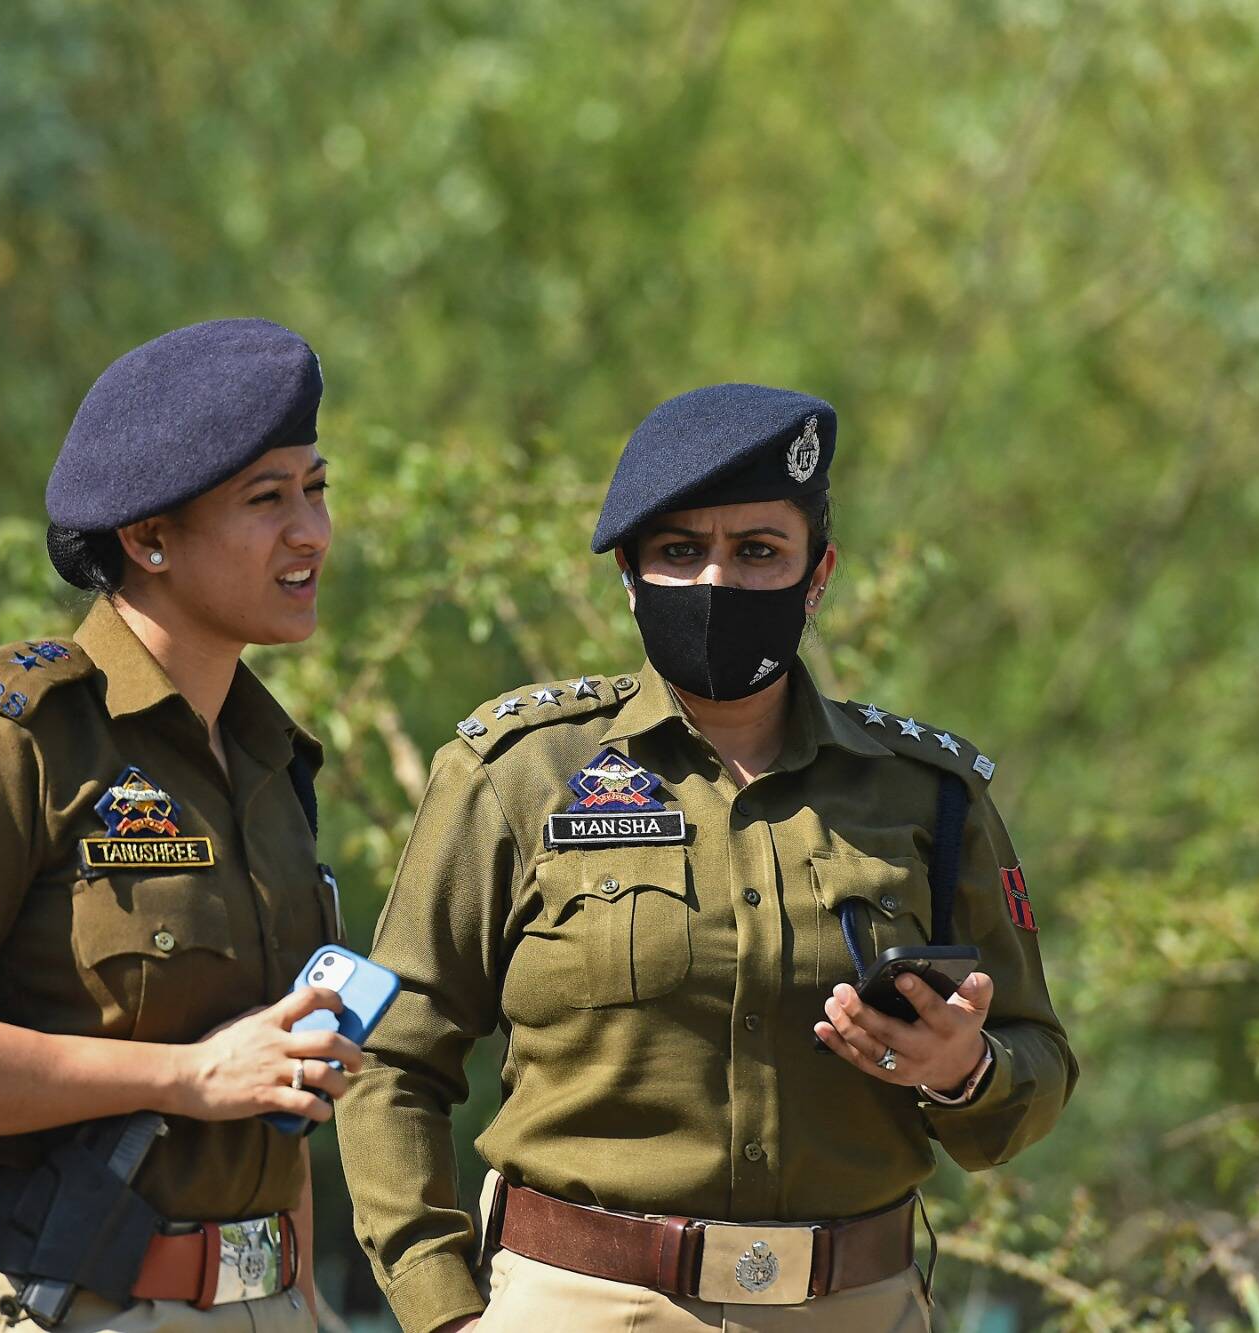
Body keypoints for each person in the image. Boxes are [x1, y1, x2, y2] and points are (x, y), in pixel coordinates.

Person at [338, 385, 1078, 1333]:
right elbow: (388, 1058)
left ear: (819, 574)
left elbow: (1039, 1059)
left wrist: (963, 1065)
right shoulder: (520, 776)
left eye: (759, 551)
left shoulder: (927, 796)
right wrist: (439, 1306)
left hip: (856, 1306)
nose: (716, 583)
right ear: (631, 573)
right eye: (680, 552)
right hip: (585, 1304)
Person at [0, 318, 359, 1333]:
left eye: (315, 488)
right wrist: (187, 1074)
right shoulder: (3, 745)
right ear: (149, 539)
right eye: (266, 499)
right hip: (54, 1301)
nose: (312, 531)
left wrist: (307, 1301)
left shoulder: (269, 763)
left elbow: (269, 1086)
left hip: (263, 1303)